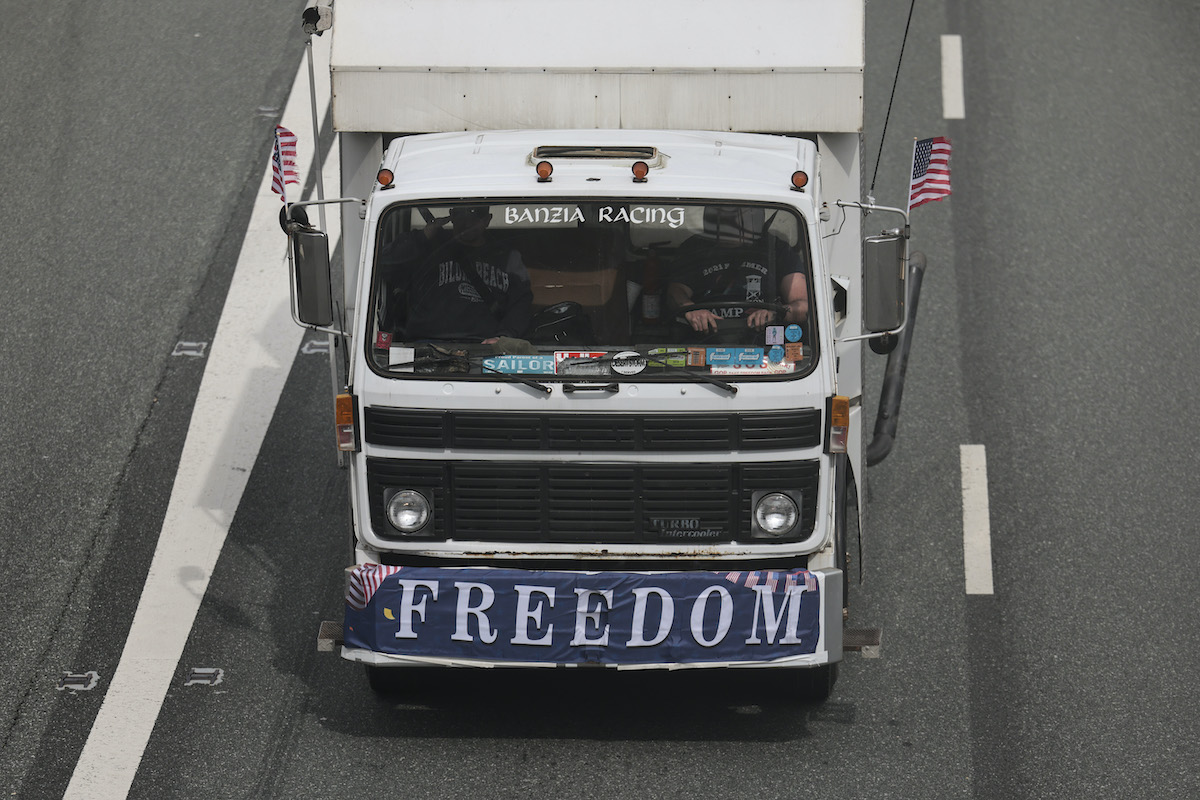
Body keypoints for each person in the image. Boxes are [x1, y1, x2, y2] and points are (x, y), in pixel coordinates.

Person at [379, 205, 533, 343]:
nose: (467, 224)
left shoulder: (508, 257)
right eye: (461, 217)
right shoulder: (426, 249)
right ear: (452, 217)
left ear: (487, 220)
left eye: (474, 219)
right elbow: (382, 264)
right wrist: (423, 235)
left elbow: (521, 302)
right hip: (426, 347)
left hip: (484, 349)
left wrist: (504, 337)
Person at [667, 206, 808, 335]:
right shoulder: (694, 248)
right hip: (704, 336)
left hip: (762, 340)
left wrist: (776, 312)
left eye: (737, 219)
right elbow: (675, 291)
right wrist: (690, 309)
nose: (730, 226)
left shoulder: (778, 250)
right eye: (724, 219)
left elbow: (802, 306)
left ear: (755, 219)